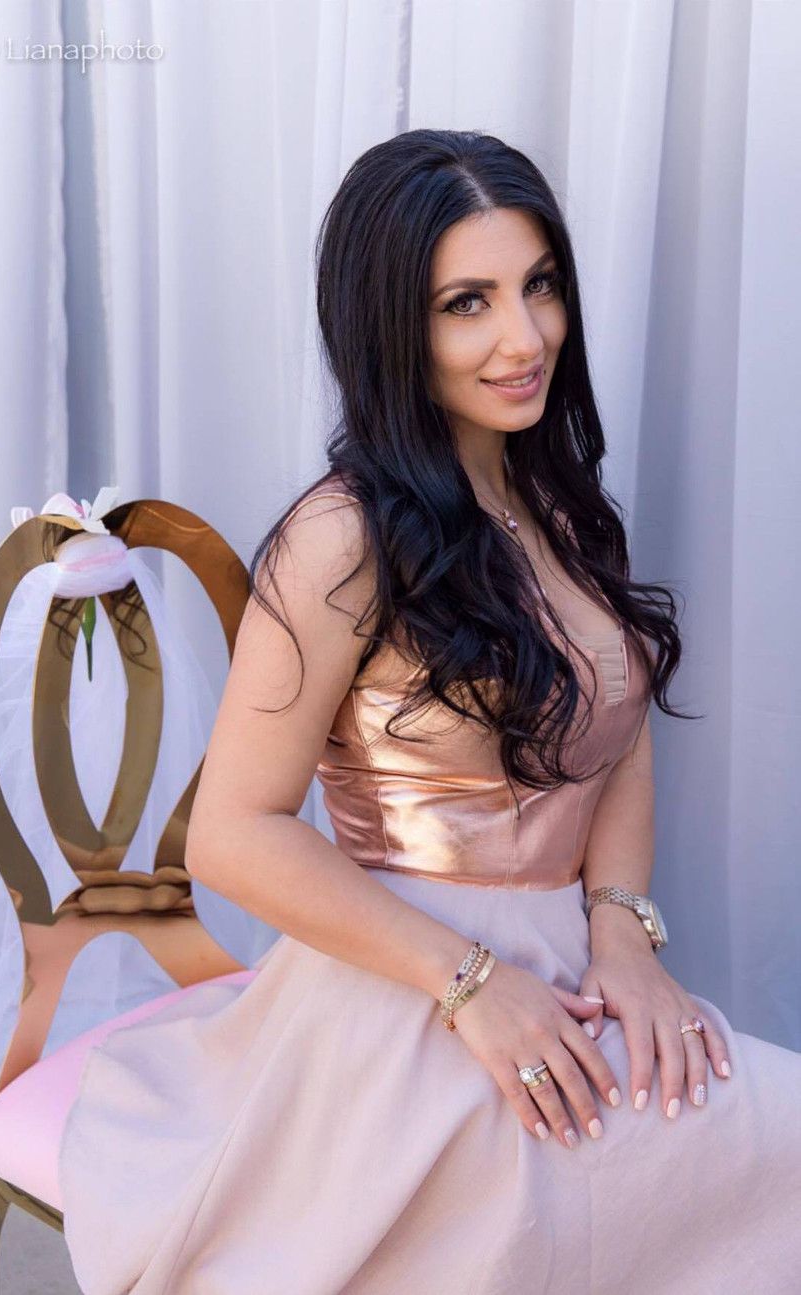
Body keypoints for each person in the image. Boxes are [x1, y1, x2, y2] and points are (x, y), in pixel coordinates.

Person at [57, 129, 801, 1293]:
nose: (526, 337)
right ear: (392, 327)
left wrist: (623, 932)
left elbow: (616, 729)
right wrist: (471, 983)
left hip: (570, 969)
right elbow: (234, 832)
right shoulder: (341, 539)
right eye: (469, 303)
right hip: (402, 988)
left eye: (539, 285)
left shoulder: (556, 501)